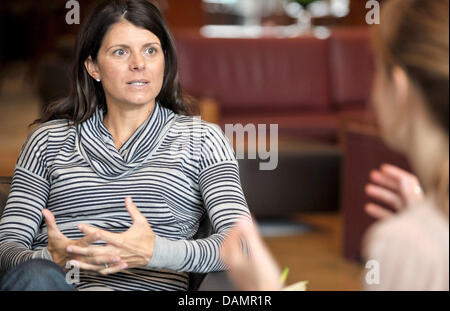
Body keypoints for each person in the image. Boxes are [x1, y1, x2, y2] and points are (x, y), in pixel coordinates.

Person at [0, 0, 250, 291]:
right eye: (120, 51)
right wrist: (50, 257)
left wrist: (155, 252)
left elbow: (242, 244)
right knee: (37, 277)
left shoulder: (202, 139)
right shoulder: (47, 140)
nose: (139, 64)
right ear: (93, 66)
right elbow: (7, 248)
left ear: (165, 61)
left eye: (150, 50)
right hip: (55, 285)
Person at [221, 0, 449, 291]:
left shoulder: (404, 245)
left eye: (375, 70)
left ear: (400, 89)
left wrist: (264, 287)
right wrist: (424, 214)